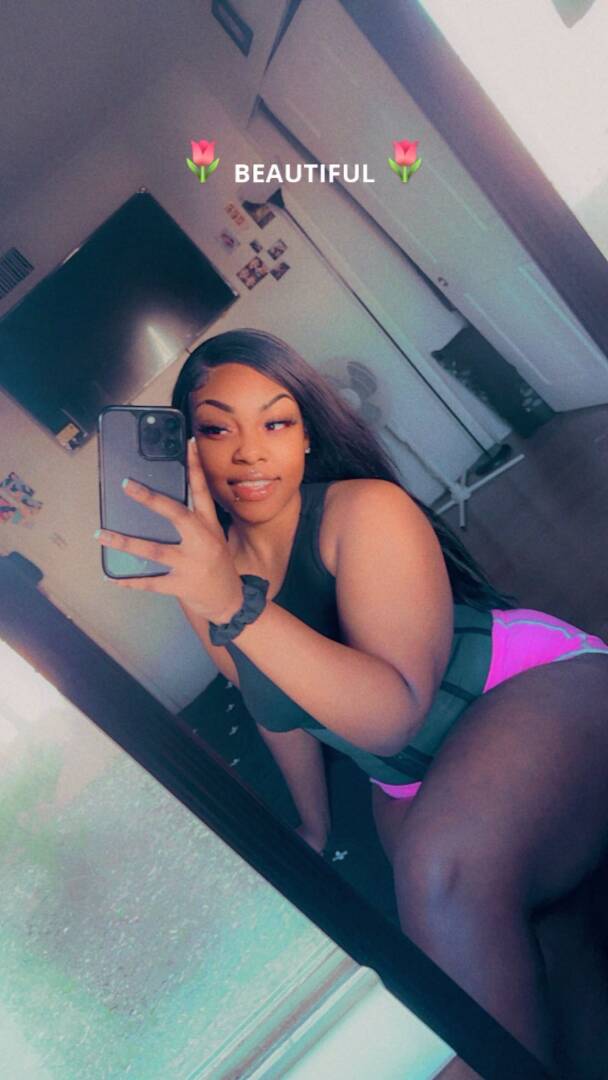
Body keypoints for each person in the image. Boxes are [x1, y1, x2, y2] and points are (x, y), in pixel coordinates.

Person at [96, 329, 608, 1077]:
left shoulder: (364, 511)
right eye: (217, 429)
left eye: (275, 422)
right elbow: (272, 705)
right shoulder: (204, 572)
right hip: (408, 778)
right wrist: (314, 826)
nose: (248, 452)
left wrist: (234, 604)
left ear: (307, 433)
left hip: (530, 689)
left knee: (440, 875)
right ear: (191, 452)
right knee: (514, 942)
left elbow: (394, 714)